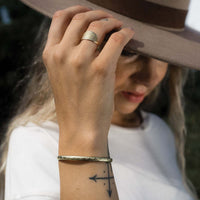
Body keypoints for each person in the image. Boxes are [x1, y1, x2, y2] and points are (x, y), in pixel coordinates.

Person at [0, 0, 200, 199]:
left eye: (164, 56)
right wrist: (83, 138)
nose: (149, 77)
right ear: (73, 46)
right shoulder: (38, 141)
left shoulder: (158, 131)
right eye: (128, 52)